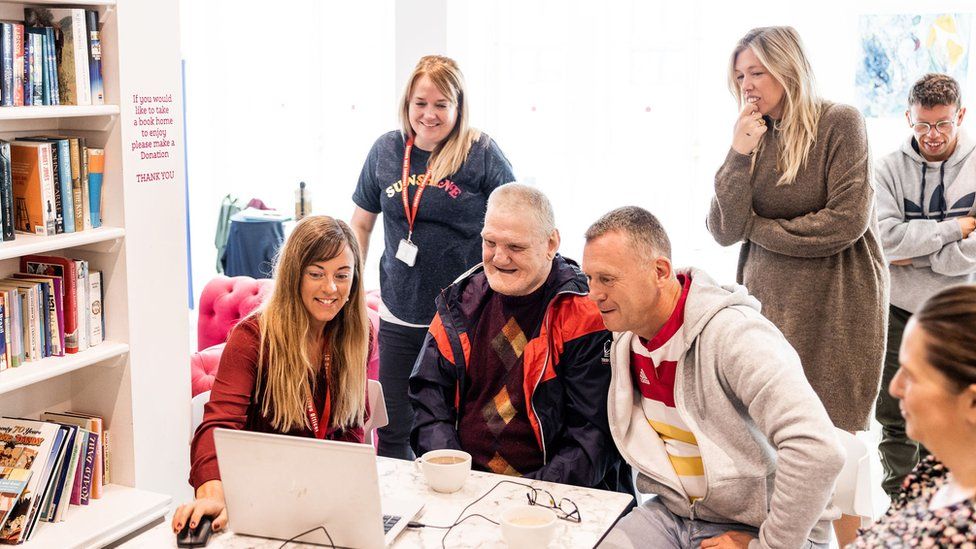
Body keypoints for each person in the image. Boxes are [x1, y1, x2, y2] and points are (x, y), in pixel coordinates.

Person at [585, 207, 843, 549]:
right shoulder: (625, 339)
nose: (593, 294)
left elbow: (818, 449)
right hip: (675, 516)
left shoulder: (734, 335)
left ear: (660, 271)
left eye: (607, 279)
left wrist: (767, 545)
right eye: (589, 278)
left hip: (769, 528)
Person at [409, 184, 630, 492]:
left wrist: (524, 494)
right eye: (490, 242)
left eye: (515, 247)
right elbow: (428, 402)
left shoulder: (586, 311)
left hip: (555, 494)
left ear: (551, 242)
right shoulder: (457, 303)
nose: (499, 258)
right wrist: (455, 475)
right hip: (466, 486)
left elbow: (595, 436)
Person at [351, 55, 515, 459]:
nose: (429, 114)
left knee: (461, 433)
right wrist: (351, 289)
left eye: (441, 104)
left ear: (458, 108)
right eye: (420, 103)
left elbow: (517, 220)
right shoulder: (386, 150)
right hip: (399, 315)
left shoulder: (481, 153)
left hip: (465, 319)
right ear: (407, 104)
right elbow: (360, 225)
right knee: (392, 432)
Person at [172, 216, 372, 535]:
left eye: (342, 275)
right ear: (295, 276)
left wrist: (349, 495)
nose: (331, 288)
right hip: (261, 499)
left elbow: (351, 428)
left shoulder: (357, 335)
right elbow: (219, 423)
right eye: (316, 274)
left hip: (322, 502)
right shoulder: (253, 338)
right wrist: (212, 493)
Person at [874, 73, 976, 498]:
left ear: (961, 116)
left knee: (958, 410)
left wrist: (915, 253)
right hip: (899, 308)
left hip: (959, 310)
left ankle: (952, 504)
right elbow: (883, 239)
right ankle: (903, 508)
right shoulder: (887, 168)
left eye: (943, 124)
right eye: (922, 125)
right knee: (897, 414)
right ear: (908, 118)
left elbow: (967, 253)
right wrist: (956, 228)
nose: (932, 136)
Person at [851, 285, 976, 547]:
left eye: (911, 375)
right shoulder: (937, 471)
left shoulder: (961, 534)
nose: (895, 388)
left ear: (972, 402)